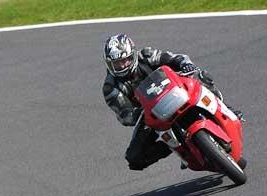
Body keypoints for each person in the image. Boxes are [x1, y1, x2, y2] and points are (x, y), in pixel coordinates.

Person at [102, 34, 241, 171]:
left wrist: (185, 65)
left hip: (174, 90)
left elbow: (175, 58)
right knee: (134, 158)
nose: (121, 66)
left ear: (132, 54)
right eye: (116, 64)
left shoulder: (146, 55)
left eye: (124, 61)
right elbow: (124, 115)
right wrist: (136, 113)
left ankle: (226, 108)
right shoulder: (111, 87)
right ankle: (172, 147)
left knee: (200, 76)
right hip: (151, 114)